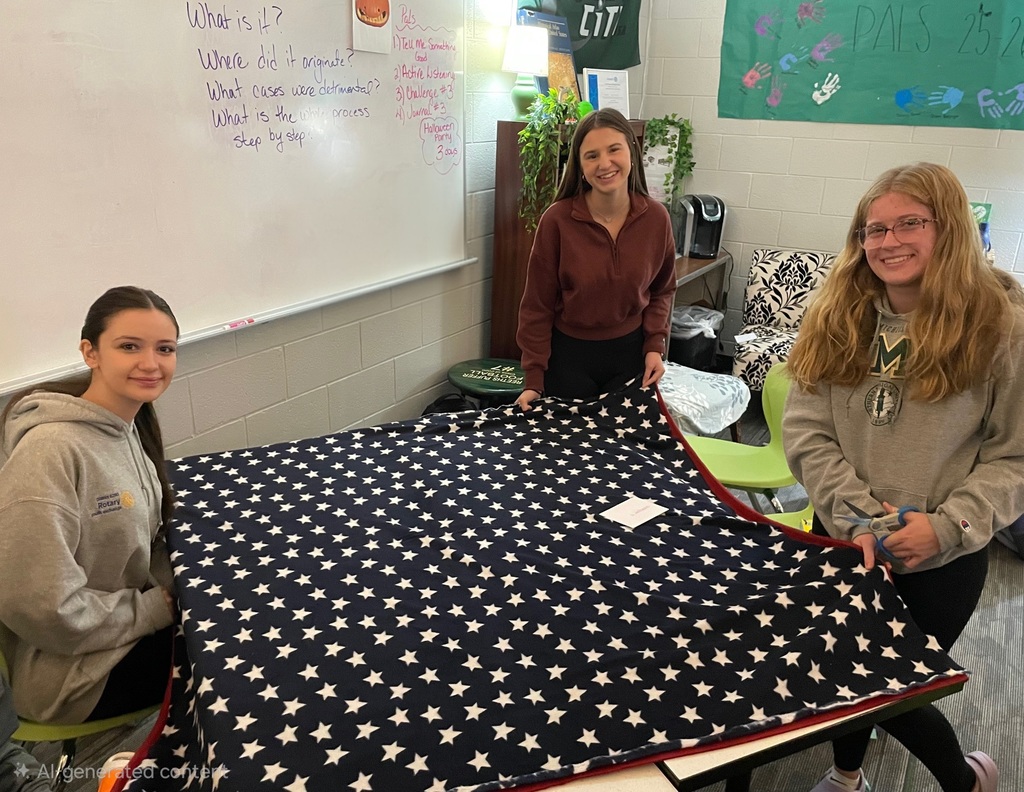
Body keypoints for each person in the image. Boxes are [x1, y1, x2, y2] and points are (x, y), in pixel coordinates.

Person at [783, 162, 1023, 792]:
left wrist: (948, 527)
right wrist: (859, 519)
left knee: (893, 691)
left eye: (909, 224)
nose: (888, 242)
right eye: (874, 229)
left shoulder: (1002, 328)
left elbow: (1015, 457)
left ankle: (963, 780)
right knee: (837, 673)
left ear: (949, 228)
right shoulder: (835, 314)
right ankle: (846, 776)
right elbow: (807, 431)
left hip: (942, 557)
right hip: (844, 538)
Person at [0, 286, 179, 725]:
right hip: (75, 673)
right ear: (90, 352)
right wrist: (153, 609)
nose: (151, 363)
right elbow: (41, 608)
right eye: (129, 346)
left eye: (165, 348)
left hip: (121, 629)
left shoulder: (129, 425)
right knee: (242, 651)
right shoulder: (50, 451)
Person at [515, 107, 677, 411]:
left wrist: (655, 346)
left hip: (632, 361)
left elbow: (662, 290)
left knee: (628, 443)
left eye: (614, 149)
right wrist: (533, 379)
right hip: (567, 362)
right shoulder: (557, 221)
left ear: (632, 151)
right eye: (591, 155)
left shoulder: (656, 218)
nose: (604, 163)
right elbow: (537, 305)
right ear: (579, 165)